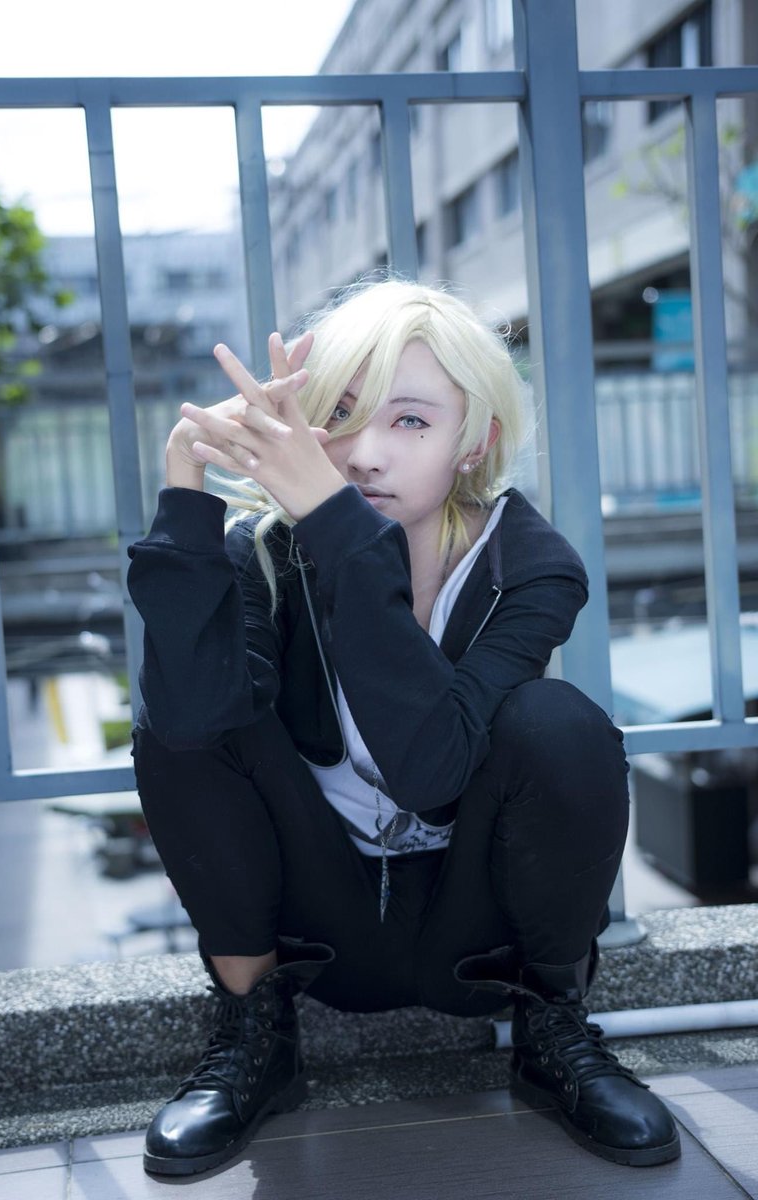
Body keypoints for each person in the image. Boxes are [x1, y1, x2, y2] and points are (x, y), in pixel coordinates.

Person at [127, 276, 681, 1177]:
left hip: (475, 936)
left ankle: (553, 1032)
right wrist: (186, 487)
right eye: (340, 415)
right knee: (183, 713)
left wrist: (342, 531)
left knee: (560, 724)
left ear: (475, 442)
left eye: (412, 420)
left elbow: (431, 770)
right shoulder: (265, 556)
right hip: (322, 933)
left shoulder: (529, 567)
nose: (364, 454)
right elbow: (190, 726)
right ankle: (255, 1037)